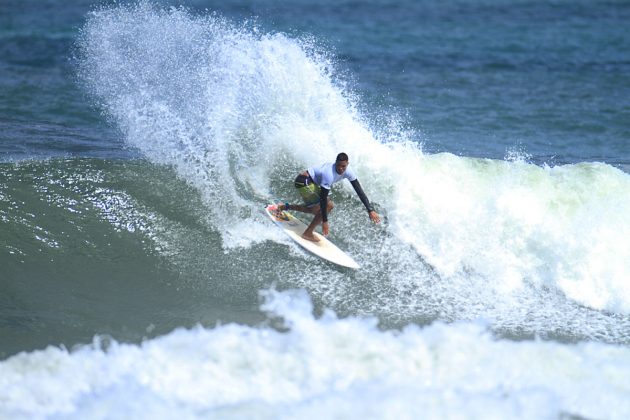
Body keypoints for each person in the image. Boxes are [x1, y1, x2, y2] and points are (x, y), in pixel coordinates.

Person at [277, 153, 380, 242]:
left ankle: (285, 207)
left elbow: (359, 191)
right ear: (335, 163)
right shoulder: (329, 174)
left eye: (343, 166)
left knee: (315, 210)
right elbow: (323, 198)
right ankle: (307, 233)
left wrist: (370, 210)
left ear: (347, 164)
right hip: (304, 181)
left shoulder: (349, 172)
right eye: (338, 165)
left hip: (309, 182)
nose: (340, 168)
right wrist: (325, 221)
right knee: (328, 206)